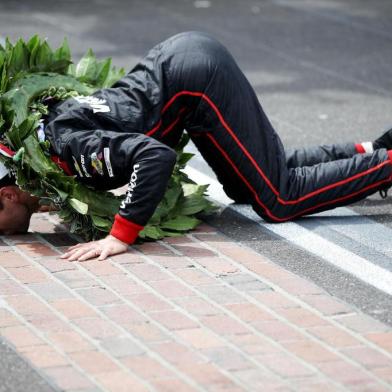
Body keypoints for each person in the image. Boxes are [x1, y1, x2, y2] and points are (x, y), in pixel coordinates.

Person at [1, 31, 392, 262]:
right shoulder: (41, 149)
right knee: (244, 184)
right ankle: (371, 148)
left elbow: (153, 156)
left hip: (196, 80)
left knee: (278, 200)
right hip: (183, 69)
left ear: (7, 195)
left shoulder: (67, 150)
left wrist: (120, 235)